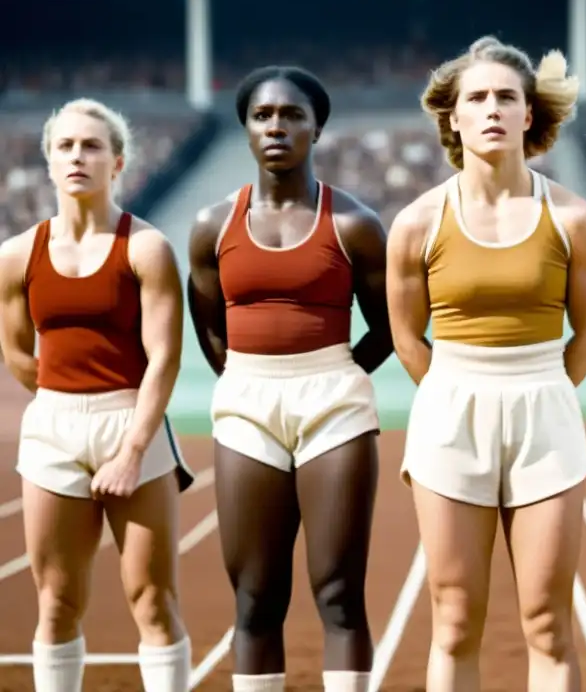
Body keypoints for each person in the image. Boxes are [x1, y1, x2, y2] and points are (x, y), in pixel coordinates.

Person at [386, 35, 586, 692]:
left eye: (506, 97)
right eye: (475, 98)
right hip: (450, 412)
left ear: (528, 114)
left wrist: (536, 391)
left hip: (547, 410)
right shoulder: (418, 222)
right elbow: (407, 339)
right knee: (454, 620)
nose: (491, 109)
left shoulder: (574, 217)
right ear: (452, 117)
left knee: (546, 621)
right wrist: (464, 392)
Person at [187, 65, 392, 692]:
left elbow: (387, 328)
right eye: (263, 115)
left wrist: (331, 374)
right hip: (247, 400)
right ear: (247, 128)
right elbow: (210, 329)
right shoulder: (211, 227)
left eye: (293, 114)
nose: (277, 126)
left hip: (334, 398)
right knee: (254, 598)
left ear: (317, 128)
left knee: (338, 591)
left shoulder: (355, 224)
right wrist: (251, 378)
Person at [0, 98, 195, 692]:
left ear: (118, 163)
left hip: (131, 423)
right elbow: (17, 355)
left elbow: (165, 357)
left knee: (153, 600)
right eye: (65, 146)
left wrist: (132, 448)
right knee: (56, 601)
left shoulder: (147, 248)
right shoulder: (14, 256)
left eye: (91, 146)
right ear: (50, 163)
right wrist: (65, 405)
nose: (77, 156)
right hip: (53, 428)